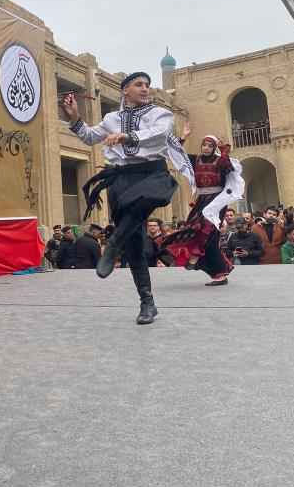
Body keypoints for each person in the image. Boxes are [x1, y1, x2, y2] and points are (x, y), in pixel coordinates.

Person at [62, 71, 195, 325]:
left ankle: (112, 244)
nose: (145, 89)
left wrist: (127, 136)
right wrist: (76, 117)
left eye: (147, 85)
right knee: (135, 245)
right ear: (125, 90)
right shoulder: (112, 118)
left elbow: (159, 134)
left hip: (152, 172)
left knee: (146, 199)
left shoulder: (159, 114)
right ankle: (147, 303)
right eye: (138, 84)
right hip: (122, 178)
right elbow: (90, 137)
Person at [161, 131, 244, 286]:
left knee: (208, 234)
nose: (206, 148)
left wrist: (224, 150)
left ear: (214, 148)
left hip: (217, 202)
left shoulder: (220, 161)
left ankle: (199, 261)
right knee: (194, 231)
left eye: (210, 146)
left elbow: (228, 166)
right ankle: (212, 270)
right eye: (204, 145)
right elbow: (177, 154)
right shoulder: (195, 160)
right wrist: (183, 137)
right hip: (201, 201)